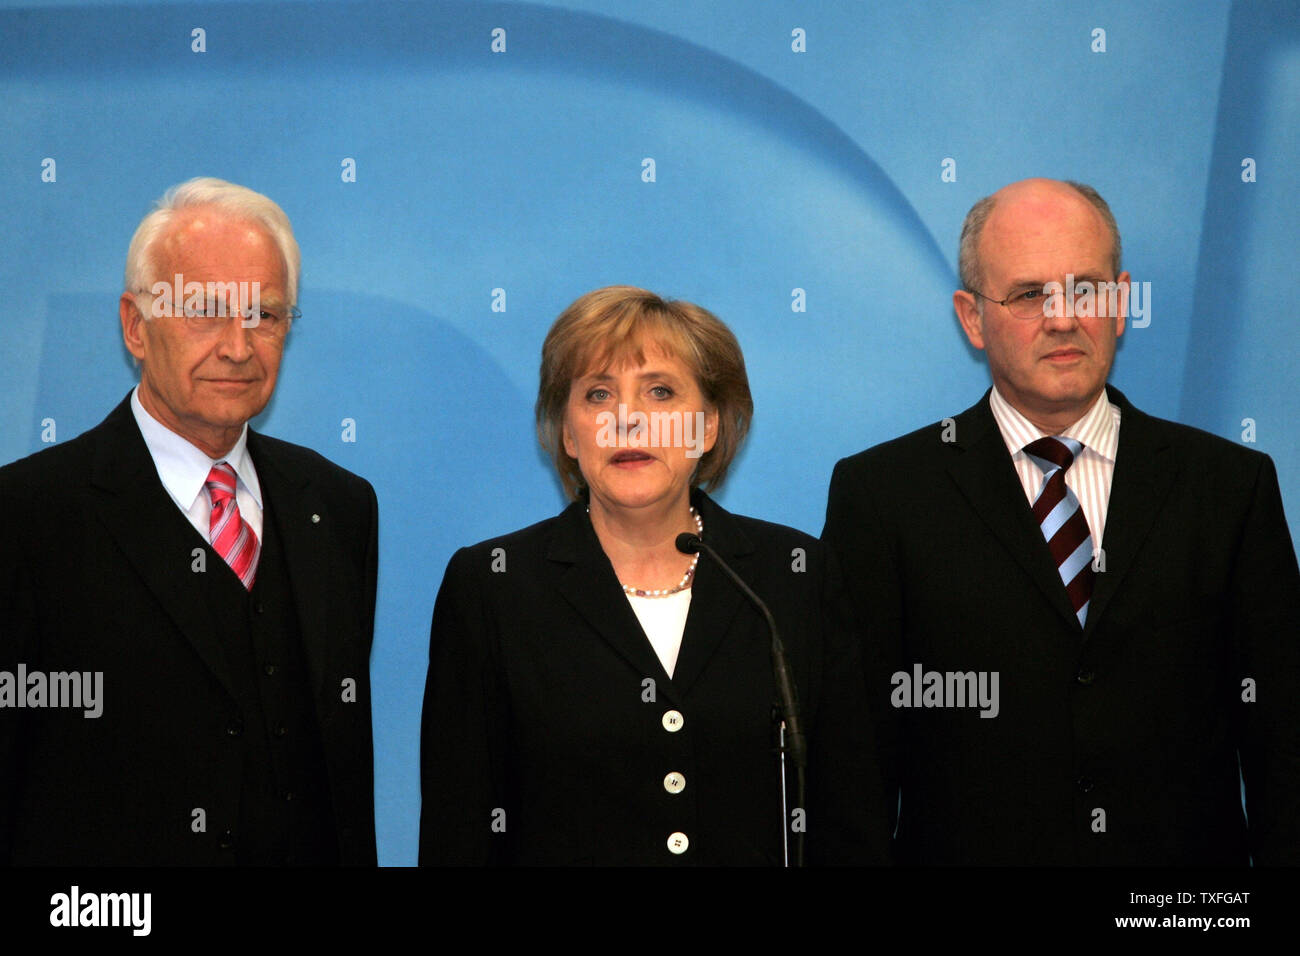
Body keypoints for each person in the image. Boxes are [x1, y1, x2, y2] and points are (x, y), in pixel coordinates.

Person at [822, 177, 1300, 865]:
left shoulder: (1229, 489)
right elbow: (854, 773)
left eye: (1086, 289)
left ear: (1122, 300)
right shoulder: (883, 497)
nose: (1063, 318)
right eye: (1027, 294)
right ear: (971, 316)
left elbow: (1283, 748)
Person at [419, 286, 885, 865]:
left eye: (660, 393)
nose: (628, 420)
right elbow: (458, 833)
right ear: (568, 434)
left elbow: (850, 820)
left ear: (708, 428)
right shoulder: (494, 586)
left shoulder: (791, 578)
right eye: (597, 395)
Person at [0, 178, 379, 865]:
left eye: (264, 315)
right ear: (135, 326)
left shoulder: (340, 507)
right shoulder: (26, 518)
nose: (239, 347)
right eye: (206, 311)